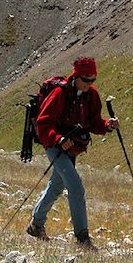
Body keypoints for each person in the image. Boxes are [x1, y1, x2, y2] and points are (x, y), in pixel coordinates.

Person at [26, 57, 119, 249]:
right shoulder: (59, 94)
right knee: (75, 187)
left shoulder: (91, 95)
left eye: (93, 79)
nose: (90, 84)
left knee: (56, 185)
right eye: (86, 79)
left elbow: (94, 122)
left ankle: (36, 225)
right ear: (76, 76)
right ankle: (82, 237)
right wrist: (58, 139)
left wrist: (107, 125)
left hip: (73, 147)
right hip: (55, 147)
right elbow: (43, 123)